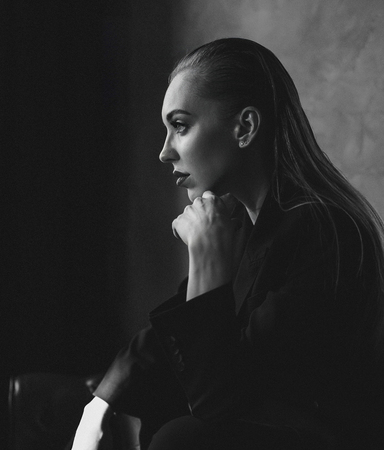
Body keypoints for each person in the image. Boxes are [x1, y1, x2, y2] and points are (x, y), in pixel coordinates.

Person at [71, 38, 384, 449]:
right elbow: (165, 343)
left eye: (180, 126)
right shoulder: (247, 226)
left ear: (245, 127)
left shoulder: (324, 232)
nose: (164, 152)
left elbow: (217, 402)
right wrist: (98, 405)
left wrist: (204, 258)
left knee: (181, 437)